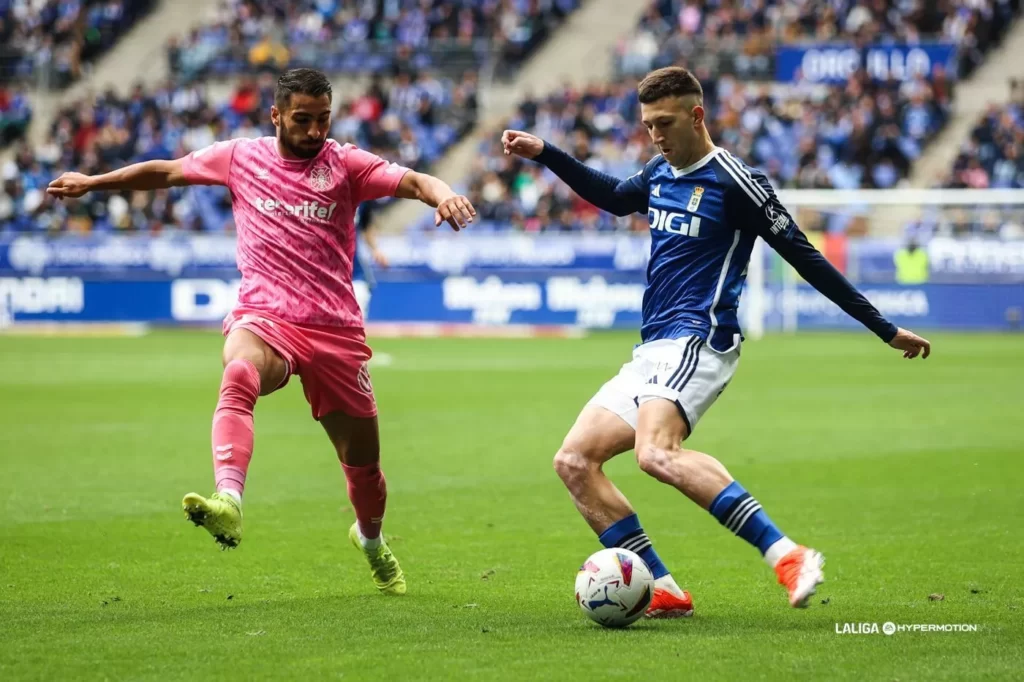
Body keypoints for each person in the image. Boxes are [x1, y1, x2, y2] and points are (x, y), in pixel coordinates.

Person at [501, 67, 931, 619]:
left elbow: (804, 256)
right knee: (574, 461)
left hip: (700, 338)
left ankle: (788, 554)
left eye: (664, 123)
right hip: (653, 348)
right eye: (647, 125)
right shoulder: (659, 171)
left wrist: (883, 327)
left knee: (656, 453)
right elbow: (612, 196)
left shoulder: (735, 181)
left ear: (697, 115)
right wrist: (546, 153)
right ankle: (663, 588)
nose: (655, 135)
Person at [47, 68, 477, 597]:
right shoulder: (240, 158)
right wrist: (94, 182)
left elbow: (413, 181)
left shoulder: (344, 164)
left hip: (335, 331)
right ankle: (228, 500)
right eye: (302, 119)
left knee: (364, 468)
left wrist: (444, 194)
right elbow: (168, 172)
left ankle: (370, 541)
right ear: (275, 115)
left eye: (323, 119)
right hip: (266, 318)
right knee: (239, 371)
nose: (315, 130)